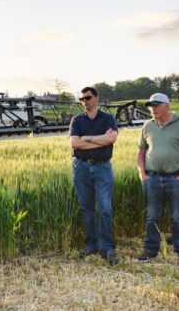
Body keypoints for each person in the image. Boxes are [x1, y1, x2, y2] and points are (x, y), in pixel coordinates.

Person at [137, 93, 179, 268]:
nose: (152, 109)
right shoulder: (147, 126)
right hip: (152, 177)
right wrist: (143, 174)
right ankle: (150, 252)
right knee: (152, 216)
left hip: (176, 178)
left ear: (167, 106)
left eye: (156, 105)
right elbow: (141, 152)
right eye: (150, 106)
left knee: (178, 217)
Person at [69, 87, 120, 266]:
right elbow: (74, 143)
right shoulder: (77, 120)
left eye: (87, 98)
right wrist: (99, 139)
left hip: (102, 167)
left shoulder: (108, 118)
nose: (84, 101)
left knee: (105, 207)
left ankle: (106, 247)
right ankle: (91, 245)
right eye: (81, 99)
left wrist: (87, 139)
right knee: (86, 208)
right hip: (81, 167)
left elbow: (112, 139)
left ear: (96, 98)